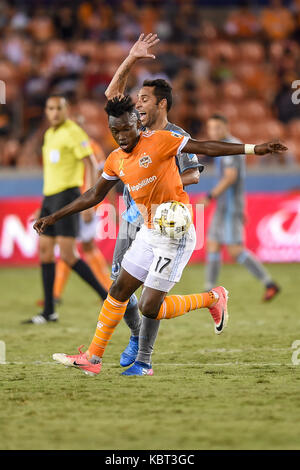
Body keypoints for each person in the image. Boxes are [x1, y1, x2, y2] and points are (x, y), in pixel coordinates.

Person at [33, 95, 287, 376]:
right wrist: (53, 218)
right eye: (114, 131)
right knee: (117, 290)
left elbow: (206, 147)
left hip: (175, 235)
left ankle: (213, 298)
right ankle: (93, 357)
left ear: (136, 123)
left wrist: (254, 149)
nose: (121, 137)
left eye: (125, 129)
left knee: (149, 308)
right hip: (149, 232)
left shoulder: (161, 140)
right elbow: (94, 194)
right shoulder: (115, 160)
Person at [104, 33, 204, 376]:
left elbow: (193, 176)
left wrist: (160, 179)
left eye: (144, 99)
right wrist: (131, 58)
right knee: (117, 282)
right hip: (132, 218)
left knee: (150, 294)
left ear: (161, 103)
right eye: (137, 100)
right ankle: (135, 336)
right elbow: (111, 96)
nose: (138, 104)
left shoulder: (176, 137)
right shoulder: (135, 127)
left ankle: (143, 355)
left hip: (163, 221)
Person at [24, 94, 108, 324]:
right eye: (50, 108)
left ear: (66, 109)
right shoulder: (49, 134)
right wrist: (43, 206)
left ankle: (107, 297)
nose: (54, 113)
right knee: (45, 252)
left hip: (67, 197)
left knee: (69, 255)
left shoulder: (73, 131)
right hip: (49, 198)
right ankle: (49, 311)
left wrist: (90, 199)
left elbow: (90, 164)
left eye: (58, 108)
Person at [201, 114, 280, 301]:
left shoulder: (231, 146)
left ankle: (270, 284)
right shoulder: (225, 145)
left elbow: (230, 177)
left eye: (217, 127)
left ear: (226, 126)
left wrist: (210, 195)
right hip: (225, 206)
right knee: (212, 244)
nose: (214, 131)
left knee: (235, 251)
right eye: (211, 128)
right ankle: (209, 293)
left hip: (229, 207)